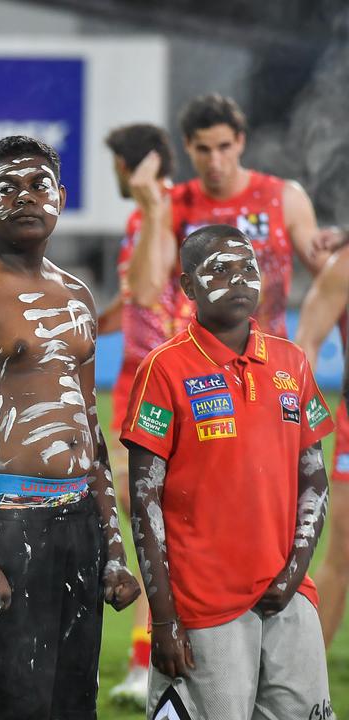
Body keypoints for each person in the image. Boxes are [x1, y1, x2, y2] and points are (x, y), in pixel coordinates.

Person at [0, 135, 140, 719]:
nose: (25, 197)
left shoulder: (78, 295)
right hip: (0, 528)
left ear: (61, 197)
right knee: (1, 706)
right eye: (5, 187)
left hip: (75, 528)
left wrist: (112, 545)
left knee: (71, 705)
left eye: (39, 185)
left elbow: (88, 428)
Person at [122, 224, 334, 718]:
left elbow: (315, 479)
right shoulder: (164, 368)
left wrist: (295, 571)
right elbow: (144, 500)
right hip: (201, 607)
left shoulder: (292, 363)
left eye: (247, 268)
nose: (238, 279)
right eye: (219, 270)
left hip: (289, 595)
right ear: (189, 288)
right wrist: (166, 618)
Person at [94, 123, 187, 707]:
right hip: (133, 378)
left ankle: (151, 652)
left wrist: (156, 207)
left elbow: (155, 292)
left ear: (134, 166)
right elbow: (133, 302)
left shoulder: (176, 210)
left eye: (118, 166)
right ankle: (146, 651)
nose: (115, 177)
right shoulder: (139, 220)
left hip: (168, 379)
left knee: (154, 517)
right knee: (142, 516)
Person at [129, 93, 328, 338]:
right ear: (188, 146)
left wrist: (310, 339)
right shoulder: (174, 206)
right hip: (197, 362)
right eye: (204, 149)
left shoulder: (284, 199)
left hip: (266, 358)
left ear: (240, 141)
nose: (215, 161)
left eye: (224, 147)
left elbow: (331, 274)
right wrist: (150, 213)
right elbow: (144, 294)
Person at [293, 236, 349, 648]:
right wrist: (294, 418)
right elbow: (307, 341)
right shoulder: (343, 266)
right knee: (342, 553)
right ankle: (313, 686)